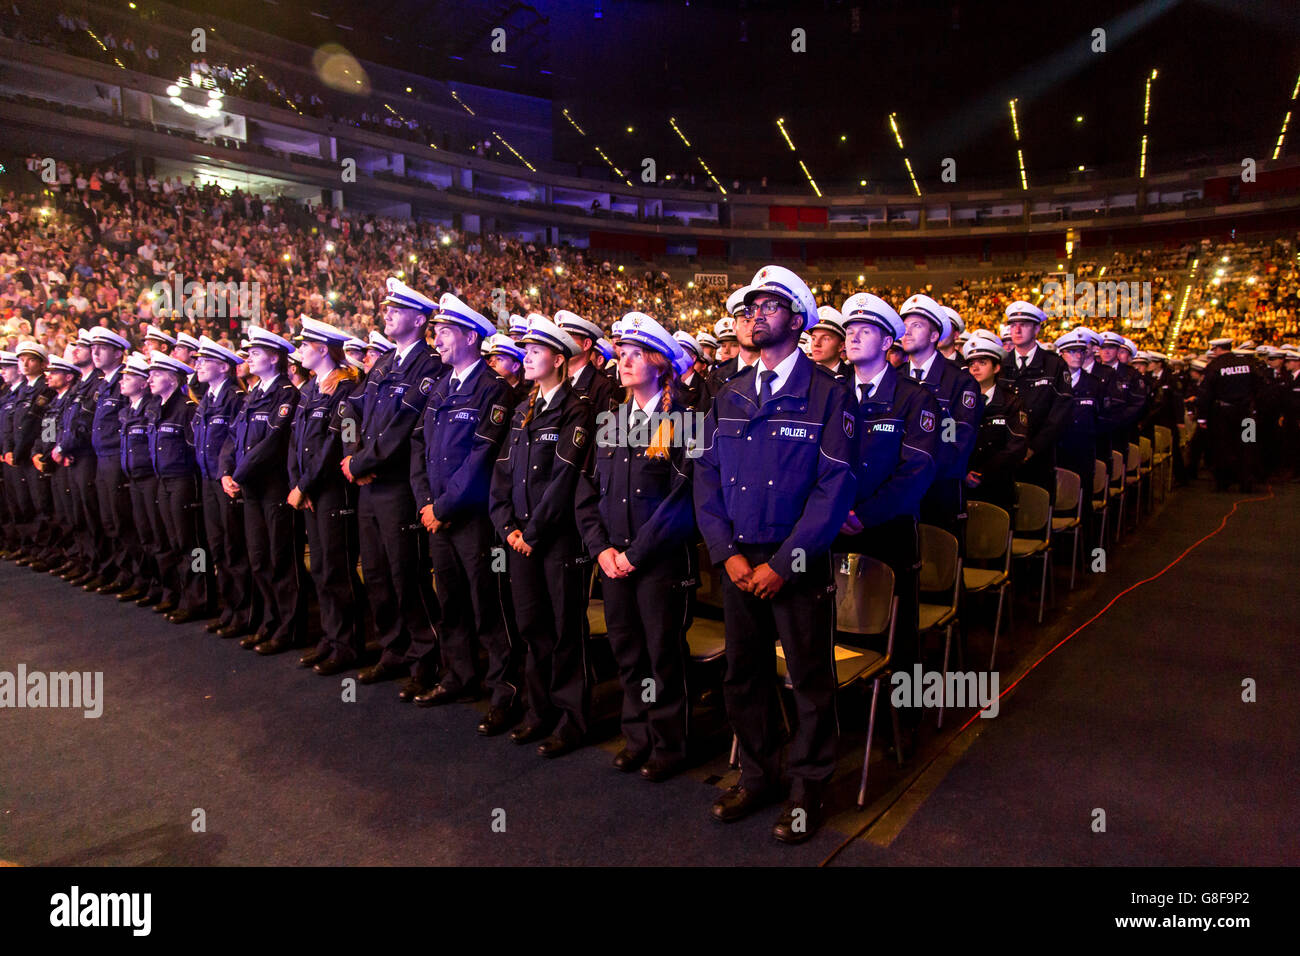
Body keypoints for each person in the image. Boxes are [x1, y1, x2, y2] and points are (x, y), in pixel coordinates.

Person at [694, 265, 855, 844]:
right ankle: (758, 775)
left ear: (799, 319)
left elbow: (833, 489)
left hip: (797, 562)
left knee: (809, 678)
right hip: (738, 560)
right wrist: (726, 554)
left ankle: (809, 788)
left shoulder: (829, 394)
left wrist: (782, 564)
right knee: (745, 674)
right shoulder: (729, 393)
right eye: (749, 305)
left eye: (769, 304)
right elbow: (705, 477)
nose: (754, 313)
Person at [575, 312, 697, 781]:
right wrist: (601, 548)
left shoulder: (684, 420)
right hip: (613, 560)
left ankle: (670, 744)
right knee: (626, 651)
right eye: (621, 355)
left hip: (658, 562)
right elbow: (587, 491)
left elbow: (681, 498)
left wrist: (633, 555)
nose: (623, 362)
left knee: (662, 654)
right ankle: (638, 736)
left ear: (659, 363)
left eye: (634, 355)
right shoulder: (612, 420)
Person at [409, 294, 517, 730]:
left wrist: (444, 506)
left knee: (488, 604)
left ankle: (505, 690)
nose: (436, 339)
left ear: (471, 337)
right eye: (435, 331)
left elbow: (481, 459)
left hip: (471, 519)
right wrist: (424, 503)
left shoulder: (494, 390)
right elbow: (419, 446)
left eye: (445, 332)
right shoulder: (440, 387)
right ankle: (460, 675)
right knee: (450, 601)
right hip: (437, 515)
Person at [489, 315, 595, 757]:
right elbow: (501, 474)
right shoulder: (522, 409)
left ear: (557, 358)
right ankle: (540, 711)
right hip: (520, 540)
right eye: (525, 350)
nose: (526, 356)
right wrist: (508, 526)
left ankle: (573, 719)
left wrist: (531, 532)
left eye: (535, 351)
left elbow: (566, 477)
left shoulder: (578, 408)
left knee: (565, 628)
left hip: (555, 539)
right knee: (532, 627)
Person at [342, 278, 444, 701]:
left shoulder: (429, 366)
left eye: (395, 310)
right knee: (378, 574)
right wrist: (352, 455)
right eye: (386, 309)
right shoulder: (382, 364)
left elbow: (404, 427)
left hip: (399, 486)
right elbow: (351, 407)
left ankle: (426, 655)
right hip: (367, 484)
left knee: (408, 575)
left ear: (419, 320)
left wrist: (361, 462)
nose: (386, 314)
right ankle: (394, 647)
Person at [836, 292, 938, 685]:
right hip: (836, 527)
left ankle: (903, 719)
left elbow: (917, 471)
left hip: (887, 530)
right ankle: (848, 714)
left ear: (887, 342)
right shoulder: (833, 394)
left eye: (866, 331)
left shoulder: (914, 398)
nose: (854, 337)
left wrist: (865, 514)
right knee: (840, 622)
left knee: (897, 628)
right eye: (850, 331)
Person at [291, 318, 367, 675]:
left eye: (306, 346)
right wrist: (299, 483)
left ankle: (348, 643)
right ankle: (330, 635)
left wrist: (303, 484)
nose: (300, 351)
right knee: (319, 567)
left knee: (337, 568)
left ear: (323, 349)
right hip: (309, 491)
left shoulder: (346, 388)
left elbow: (332, 444)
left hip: (332, 491)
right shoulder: (308, 390)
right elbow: (297, 442)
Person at [220, 325, 304, 653]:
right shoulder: (254, 394)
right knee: (258, 559)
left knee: (281, 559)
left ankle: (289, 628)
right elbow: (232, 436)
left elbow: (272, 444)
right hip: (250, 488)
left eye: (256, 353)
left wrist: (238, 474)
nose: (250, 358)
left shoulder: (286, 394)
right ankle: (270, 621)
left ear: (274, 357)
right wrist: (226, 471)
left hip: (272, 487)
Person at [901, 295, 983, 552]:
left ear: (935, 335)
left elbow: (957, 441)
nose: (906, 331)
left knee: (941, 571)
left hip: (939, 490)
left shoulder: (960, 380)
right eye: (905, 325)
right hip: (898, 493)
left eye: (916, 325)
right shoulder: (894, 377)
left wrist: (915, 472)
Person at [192, 336, 256, 639]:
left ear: (223, 366)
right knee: (218, 548)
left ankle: (245, 613)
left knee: (234, 548)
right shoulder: (207, 396)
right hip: (208, 480)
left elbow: (234, 440)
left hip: (225, 480)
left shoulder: (233, 396)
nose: (198, 365)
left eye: (205, 361)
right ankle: (230, 609)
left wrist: (226, 472)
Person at [146, 352, 207, 623]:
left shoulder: (186, 408)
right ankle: (182, 594)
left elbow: (196, 450)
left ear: (172, 379)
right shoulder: (157, 407)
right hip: (164, 481)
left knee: (192, 545)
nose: (150, 379)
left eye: (156, 374)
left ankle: (199, 598)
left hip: (183, 481)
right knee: (174, 542)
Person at [1000, 301, 1071, 498]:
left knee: (1037, 513)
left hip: (1040, 455)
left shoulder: (1053, 365)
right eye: (1013, 325)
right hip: (1005, 455)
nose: (1017, 329)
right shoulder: (1001, 365)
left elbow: (1059, 414)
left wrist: (1033, 447)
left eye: (1024, 324)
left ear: (1037, 328)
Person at [964, 331, 1027, 514]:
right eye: (971, 364)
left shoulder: (1012, 402)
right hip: (963, 483)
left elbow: (1017, 445)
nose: (975, 368)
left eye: (982, 363)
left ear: (996, 367)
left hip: (998, 485)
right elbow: (949, 438)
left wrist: (983, 473)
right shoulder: (958, 402)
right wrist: (964, 471)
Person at [1196, 337, 1262, 492]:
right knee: (1248, 445)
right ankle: (1247, 483)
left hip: (1222, 414)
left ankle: (1223, 483)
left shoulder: (1214, 366)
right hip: (1247, 413)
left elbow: (1206, 394)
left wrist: (1202, 417)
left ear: (1217, 349)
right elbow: (1260, 388)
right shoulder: (1247, 364)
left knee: (1223, 447)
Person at [557, 310, 616, 415]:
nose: (561, 344)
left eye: (567, 338)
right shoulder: (554, 378)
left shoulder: (604, 386)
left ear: (586, 344)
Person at [809, 305, 851, 380]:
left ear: (841, 346)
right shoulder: (802, 375)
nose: (816, 344)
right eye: (813, 338)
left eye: (825, 339)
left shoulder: (852, 379)